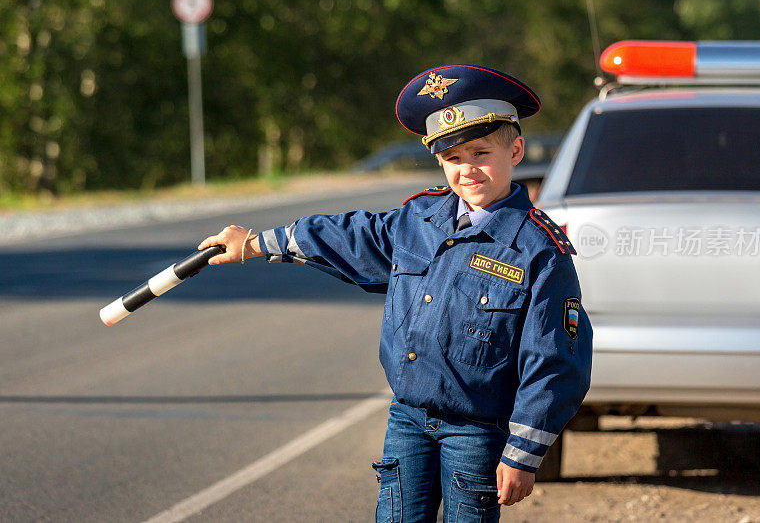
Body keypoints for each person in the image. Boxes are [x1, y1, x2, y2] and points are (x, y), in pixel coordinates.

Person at [198, 64, 592, 522]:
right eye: (453, 158)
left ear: (517, 150)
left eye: (481, 152)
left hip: (478, 432)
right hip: (407, 420)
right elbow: (347, 235)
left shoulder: (539, 250)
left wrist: (523, 454)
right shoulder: (417, 220)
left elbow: (556, 360)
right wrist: (253, 243)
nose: (467, 170)